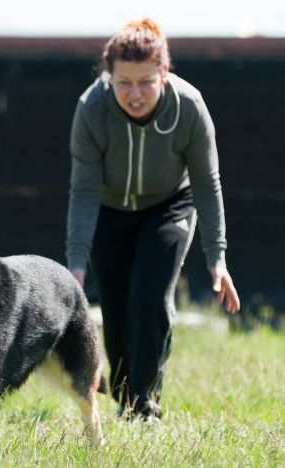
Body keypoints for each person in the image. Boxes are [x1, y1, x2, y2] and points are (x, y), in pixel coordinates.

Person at [66, 18, 240, 420]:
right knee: (116, 308)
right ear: (109, 77)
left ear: (164, 73)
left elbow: (207, 183)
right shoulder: (92, 109)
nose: (135, 94)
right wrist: (76, 265)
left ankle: (145, 403)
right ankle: (126, 396)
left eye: (146, 81)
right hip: (111, 211)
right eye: (123, 82)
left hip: (170, 206)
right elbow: (84, 192)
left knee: (151, 296)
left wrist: (217, 258)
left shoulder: (189, 107)